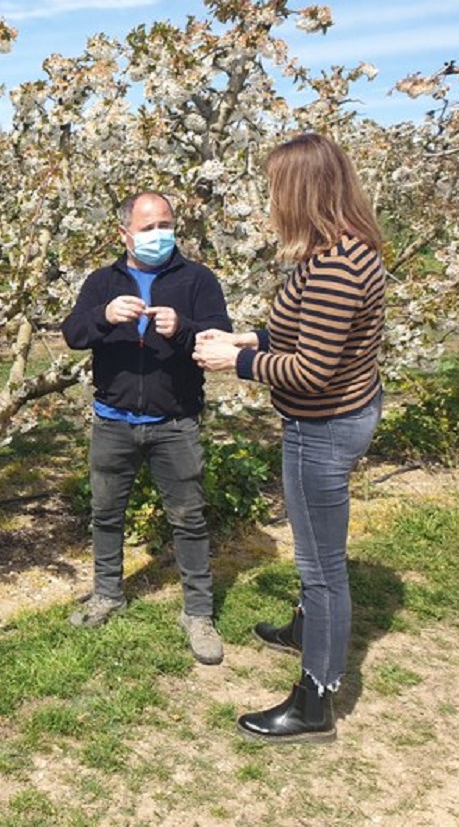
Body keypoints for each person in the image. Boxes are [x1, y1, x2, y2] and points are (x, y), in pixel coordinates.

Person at [194, 133, 386, 743]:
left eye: (277, 187)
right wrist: (251, 337)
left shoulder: (334, 267)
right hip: (341, 413)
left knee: (322, 567)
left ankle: (314, 701)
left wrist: (237, 364)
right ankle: (308, 631)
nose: (271, 199)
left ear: (303, 191)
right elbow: (305, 333)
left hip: (321, 428)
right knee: (319, 561)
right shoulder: (346, 250)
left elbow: (311, 369)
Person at [61, 191, 232, 665]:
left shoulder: (197, 280)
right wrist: (103, 316)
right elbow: (73, 334)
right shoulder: (102, 282)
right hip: (113, 422)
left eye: (166, 225)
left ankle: (198, 613)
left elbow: (219, 340)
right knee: (106, 513)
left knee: (189, 518)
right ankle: (107, 594)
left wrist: (182, 328)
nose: (160, 235)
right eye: (149, 227)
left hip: (175, 422)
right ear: (125, 233)